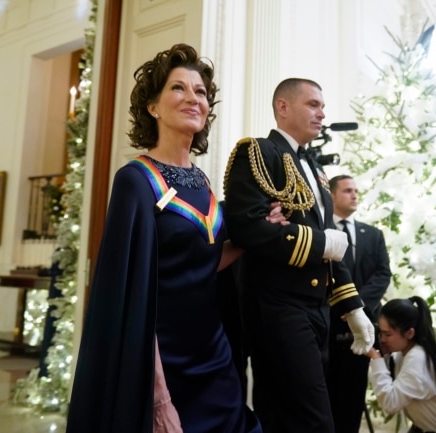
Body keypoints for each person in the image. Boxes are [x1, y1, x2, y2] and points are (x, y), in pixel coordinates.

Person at [65, 44, 286, 433]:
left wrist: (256, 233)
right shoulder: (136, 179)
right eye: (178, 88)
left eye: (200, 91)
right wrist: (160, 399)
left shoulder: (202, 182)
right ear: (153, 107)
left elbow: (202, 264)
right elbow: (134, 294)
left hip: (214, 356)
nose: (192, 98)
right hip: (160, 363)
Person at [223, 77, 375, 433]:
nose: (322, 113)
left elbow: (329, 250)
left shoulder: (316, 171)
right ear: (283, 107)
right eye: (313, 104)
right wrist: (320, 243)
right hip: (276, 305)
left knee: (282, 417)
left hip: (315, 308)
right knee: (313, 420)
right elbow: (246, 226)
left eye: (323, 106)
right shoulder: (259, 151)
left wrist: (352, 308)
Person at [327, 174, 392, 433]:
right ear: (331, 195)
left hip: (362, 330)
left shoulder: (373, 235)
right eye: (347, 191)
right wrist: (341, 306)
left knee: (353, 397)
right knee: (326, 393)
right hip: (328, 327)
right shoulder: (323, 234)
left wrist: (356, 306)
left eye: (356, 191)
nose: (354, 195)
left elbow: (383, 274)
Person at [365, 297, 436, 433]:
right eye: (381, 333)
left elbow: (391, 403)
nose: (382, 339)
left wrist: (376, 359)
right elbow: (394, 387)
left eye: (388, 334)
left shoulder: (418, 358)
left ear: (409, 333)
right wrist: (384, 356)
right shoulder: (406, 352)